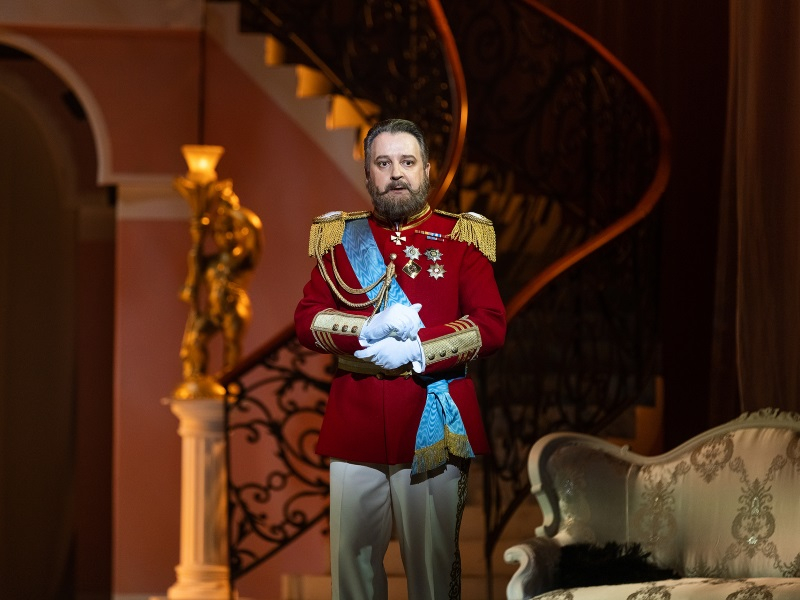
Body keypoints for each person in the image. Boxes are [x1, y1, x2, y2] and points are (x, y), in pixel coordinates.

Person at [294, 118, 506, 600]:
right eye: (383, 163)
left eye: (407, 162)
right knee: (351, 569)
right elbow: (307, 319)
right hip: (357, 419)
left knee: (431, 572)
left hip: (431, 419)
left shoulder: (462, 238)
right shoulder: (340, 238)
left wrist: (418, 348)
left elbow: (490, 324)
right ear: (368, 173)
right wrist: (364, 329)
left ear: (426, 170)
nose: (396, 174)